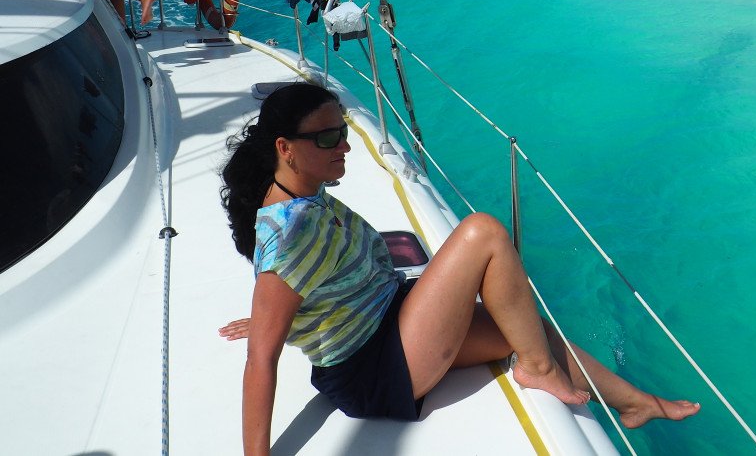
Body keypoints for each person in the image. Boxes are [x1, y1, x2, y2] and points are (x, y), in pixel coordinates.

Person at [218, 83, 699, 455]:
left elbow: (294, 281)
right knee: (483, 233)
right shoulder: (289, 231)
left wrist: (274, 318)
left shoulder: (301, 192)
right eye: (328, 138)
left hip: (389, 317)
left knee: (526, 326)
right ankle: (538, 369)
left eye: (343, 131)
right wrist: (267, 333)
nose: (344, 145)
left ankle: (632, 404)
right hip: (373, 369)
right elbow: (262, 356)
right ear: (285, 148)